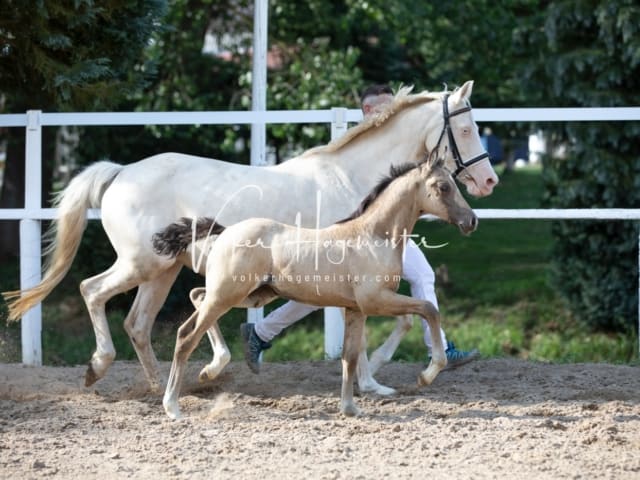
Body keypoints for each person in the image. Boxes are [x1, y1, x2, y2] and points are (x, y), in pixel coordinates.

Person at [240, 84, 479, 373]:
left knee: (421, 274)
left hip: (382, 235)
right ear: (368, 111)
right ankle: (261, 333)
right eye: (386, 108)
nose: (394, 114)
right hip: (348, 232)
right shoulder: (356, 149)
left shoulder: (396, 146)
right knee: (318, 292)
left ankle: (438, 348)